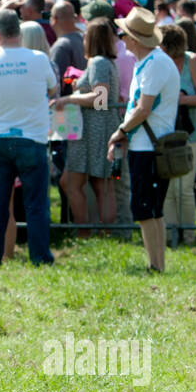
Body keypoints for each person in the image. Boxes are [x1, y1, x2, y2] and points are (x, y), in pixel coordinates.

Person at [0, 8, 57, 267]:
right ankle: (40, 258)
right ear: (20, 31)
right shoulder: (39, 59)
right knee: (36, 203)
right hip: (32, 138)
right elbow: (53, 88)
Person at [106, 7, 179, 272]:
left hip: (149, 147)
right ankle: (156, 264)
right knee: (151, 210)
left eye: (123, 34)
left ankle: (155, 265)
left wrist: (121, 131)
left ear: (135, 39)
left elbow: (143, 108)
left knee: (145, 208)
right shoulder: (149, 62)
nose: (121, 39)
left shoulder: (156, 63)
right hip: (146, 144)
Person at [56, 17, 120, 231]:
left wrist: (69, 98)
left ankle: (88, 232)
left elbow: (100, 99)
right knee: (100, 184)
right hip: (98, 129)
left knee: (93, 184)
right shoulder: (105, 62)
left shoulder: (99, 62)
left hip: (95, 131)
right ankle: (100, 234)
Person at [160, 23, 196, 246]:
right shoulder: (158, 63)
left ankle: (189, 237)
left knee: (185, 188)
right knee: (169, 189)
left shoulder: (193, 61)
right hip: (166, 135)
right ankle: (171, 237)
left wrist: (183, 99)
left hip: (192, 132)